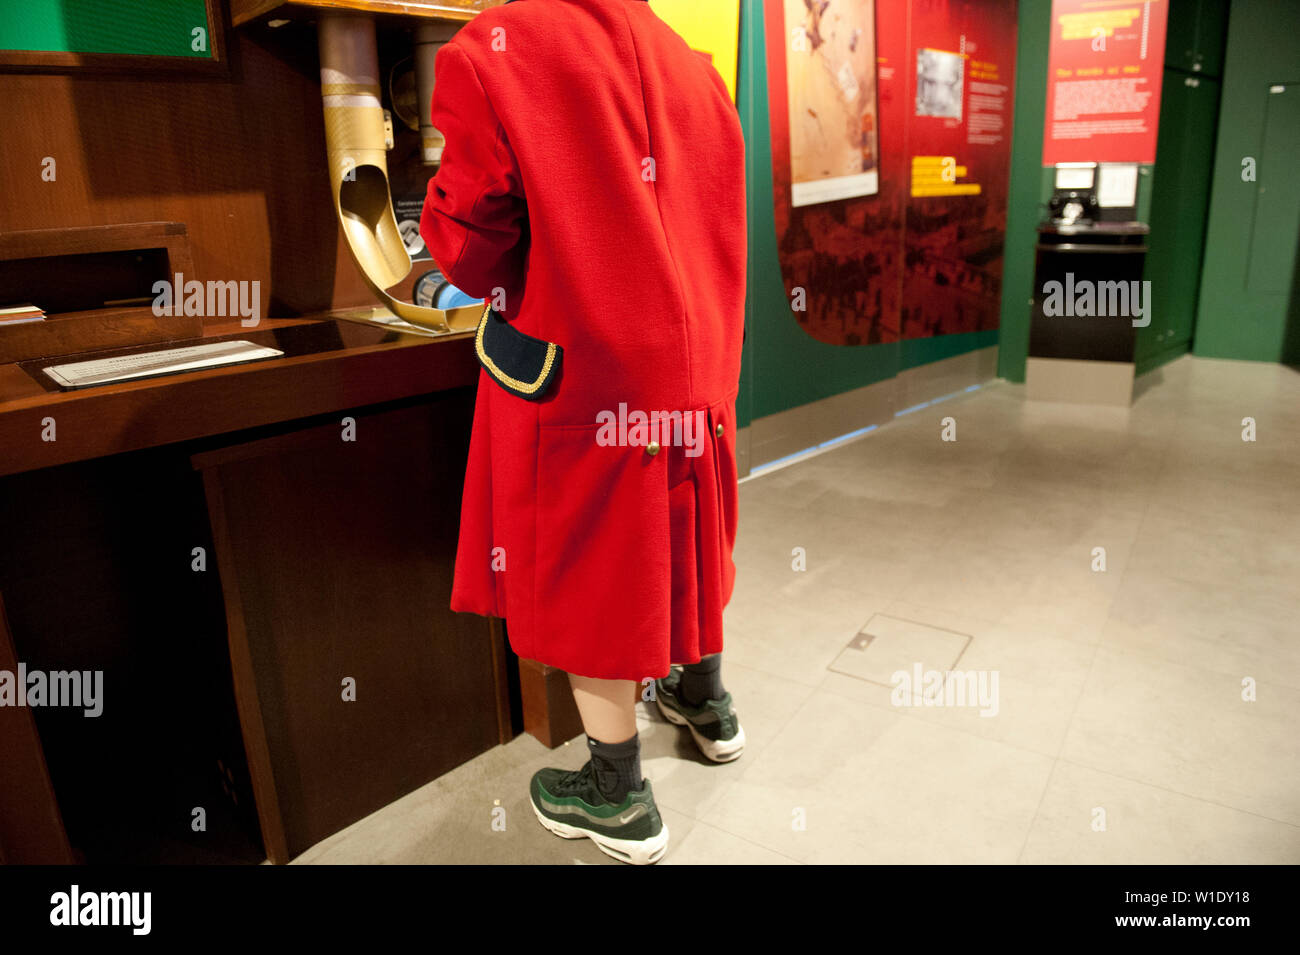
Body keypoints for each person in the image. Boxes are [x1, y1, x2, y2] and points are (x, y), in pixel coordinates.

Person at [420, 0, 746, 865]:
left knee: (595, 567)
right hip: (695, 354)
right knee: (686, 529)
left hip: (585, 360)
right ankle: (706, 702)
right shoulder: (693, 62)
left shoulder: (493, 47)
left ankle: (615, 792)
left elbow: (467, 241)